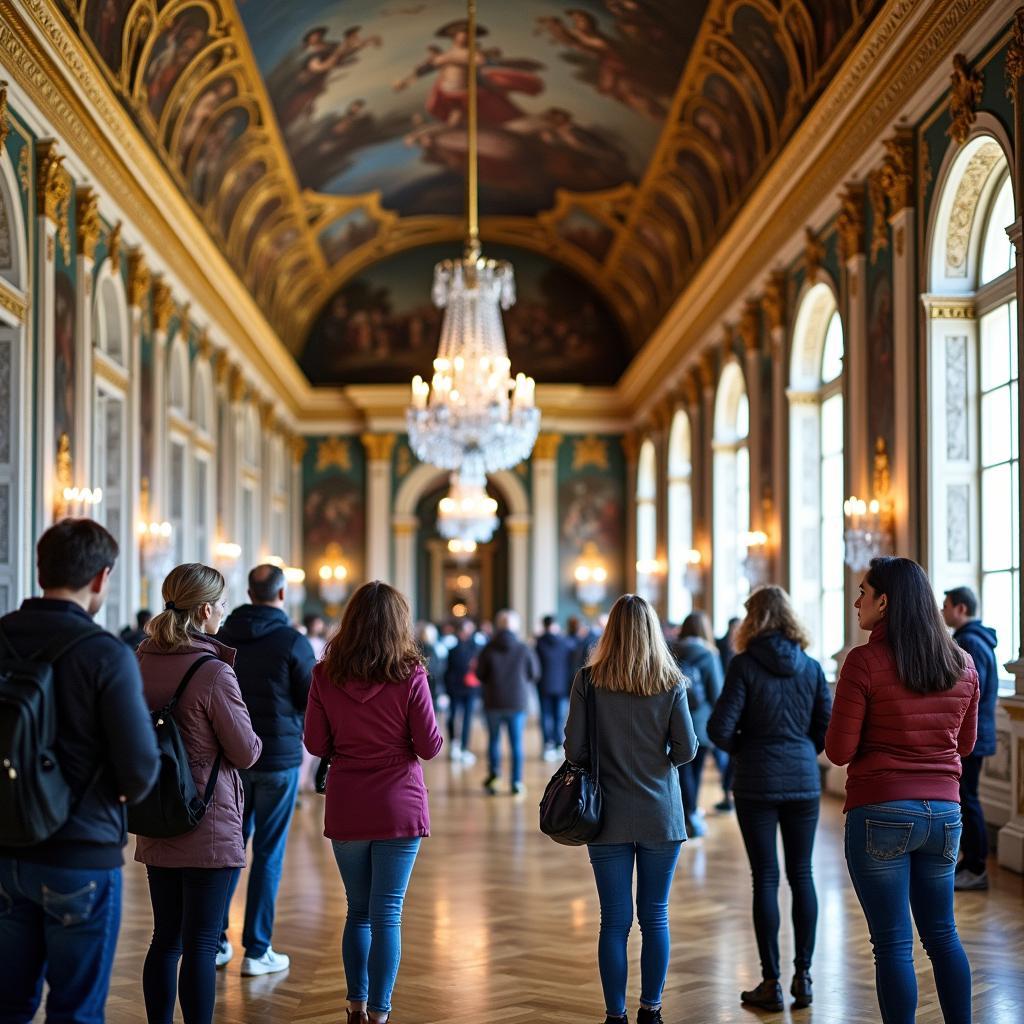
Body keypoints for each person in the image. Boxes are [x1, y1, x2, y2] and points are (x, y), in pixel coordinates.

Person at [0, 520, 160, 1024]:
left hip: (3, 847)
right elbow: (139, 770)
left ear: (40, 567)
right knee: (77, 1012)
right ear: (100, 579)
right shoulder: (105, 654)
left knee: (7, 1006)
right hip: (79, 851)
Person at [826, 557, 979, 1024]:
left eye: (862, 592)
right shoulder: (963, 663)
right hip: (944, 816)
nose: (856, 602)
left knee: (893, 943)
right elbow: (965, 744)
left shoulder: (864, 662)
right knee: (943, 934)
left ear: (884, 601)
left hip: (881, 813)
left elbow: (838, 750)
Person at [303, 581, 443, 1024]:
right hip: (398, 802)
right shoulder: (411, 674)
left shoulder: (325, 675)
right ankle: (381, 1013)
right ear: (400, 624)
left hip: (348, 800)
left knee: (357, 910)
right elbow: (429, 746)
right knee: (388, 912)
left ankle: (355, 1005)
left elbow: (314, 742)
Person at [136, 563, 262, 1024]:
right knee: (202, 942)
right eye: (222, 603)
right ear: (206, 609)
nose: (224, 611)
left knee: (164, 938)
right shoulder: (212, 672)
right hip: (207, 820)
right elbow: (246, 752)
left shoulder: (141, 659)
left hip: (156, 812)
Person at [564, 593, 697, 1024]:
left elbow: (575, 750)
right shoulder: (671, 681)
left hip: (605, 814)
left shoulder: (588, 680)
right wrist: (659, 763)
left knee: (614, 921)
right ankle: (651, 1010)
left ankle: (615, 1015)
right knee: (655, 916)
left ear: (610, 631)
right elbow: (687, 749)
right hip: (662, 812)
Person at [707, 585, 832, 1013]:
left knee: (765, 878)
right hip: (802, 780)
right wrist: (798, 749)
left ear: (752, 620)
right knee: (803, 874)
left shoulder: (743, 665)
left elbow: (719, 729)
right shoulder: (812, 667)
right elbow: (826, 728)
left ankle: (771, 983)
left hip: (756, 781)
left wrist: (749, 748)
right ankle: (805, 976)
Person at [217, 564, 316, 974]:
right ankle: (257, 950)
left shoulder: (221, 635)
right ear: (281, 594)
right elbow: (312, 699)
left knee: (225, 851)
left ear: (248, 591)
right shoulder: (293, 641)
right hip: (277, 759)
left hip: (229, 760)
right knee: (268, 855)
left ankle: (215, 941)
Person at [942, 585, 999, 891]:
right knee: (966, 799)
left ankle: (977, 867)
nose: (942, 610)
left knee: (968, 801)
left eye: (946, 605)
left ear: (961, 608)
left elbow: (965, 696)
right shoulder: (974, 640)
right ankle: (970, 861)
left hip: (971, 736)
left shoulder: (968, 643)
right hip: (978, 733)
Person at [670, 611, 724, 837]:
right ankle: (692, 815)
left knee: (681, 772)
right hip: (701, 724)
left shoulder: (671, 650)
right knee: (696, 770)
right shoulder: (709, 654)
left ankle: (682, 813)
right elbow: (716, 692)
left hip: (674, 720)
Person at [477, 609, 540, 795]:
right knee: (516, 744)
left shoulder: (488, 648)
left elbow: (479, 674)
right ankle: (516, 782)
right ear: (516, 626)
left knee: (494, 741)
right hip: (516, 702)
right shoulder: (523, 648)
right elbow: (535, 673)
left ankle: (494, 777)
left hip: (493, 701)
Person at [535, 614, 574, 762]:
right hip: (561, 685)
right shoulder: (564, 642)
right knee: (559, 717)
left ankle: (547, 745)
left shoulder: (539, 643)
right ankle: (558, 744)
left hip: (544, 685)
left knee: (545, 716)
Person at [443, 618, 480, 763]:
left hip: (470, 688)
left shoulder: (476, 647)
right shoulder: (453, 648)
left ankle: (464, 747)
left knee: (467, 719)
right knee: (452, 716)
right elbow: (447, 670)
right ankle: (454, 743)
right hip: (455, 688)